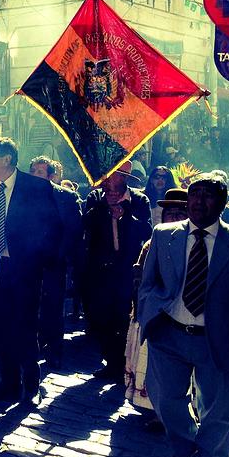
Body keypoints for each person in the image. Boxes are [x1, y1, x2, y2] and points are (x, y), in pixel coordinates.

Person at [138, 173, 229, 457]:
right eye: (194, 195)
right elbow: (149, 282)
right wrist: (150, 313)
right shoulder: (164, 235)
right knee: (165, 400)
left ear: (222, 202)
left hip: (217, 337)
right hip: (170, 334)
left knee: (218, 408)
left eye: (208, 196)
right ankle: (184, 446)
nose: (199, 202)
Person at [0, 137, 62, 404]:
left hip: (25, 269)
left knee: (25, 325)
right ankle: (8, 382)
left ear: (7, 159)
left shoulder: (37, 186)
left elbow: (52, 227)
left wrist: (39, 261)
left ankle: (31, 380)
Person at [79, 162, 152, 382]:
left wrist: (125, 215)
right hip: (100, 271)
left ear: (124, 179)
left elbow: (145, 229)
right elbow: (86, 224)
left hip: (126, 270)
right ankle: (110, 361)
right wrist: (104, 207)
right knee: (101, 318)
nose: (109, 182)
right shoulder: (94, 199)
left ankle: (122, 364)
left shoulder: (139, 200)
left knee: (122, 317)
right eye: (107, 178)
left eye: (114, 177)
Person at [125, 188, 187, 427]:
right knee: (152, 364)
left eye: (179, 213)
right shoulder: (153, 241)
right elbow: (141, 275)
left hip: (180, 316)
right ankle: (153, 408)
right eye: (169, 213)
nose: (173, 218)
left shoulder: (194, 242)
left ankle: (172, 414)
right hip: (152, 313)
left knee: (175, 370)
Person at [30, 156, 83, 370]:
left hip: (54, 262)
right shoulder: (23, 194)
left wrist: (61, 257)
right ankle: (34, 346)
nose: (35, 175)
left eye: (40, 172)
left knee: (53, 308)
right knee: (31, 306)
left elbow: (73, 231)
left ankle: (54, 351)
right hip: (28, 261)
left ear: (51, 176)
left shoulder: (65, 196)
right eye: (33, 171)